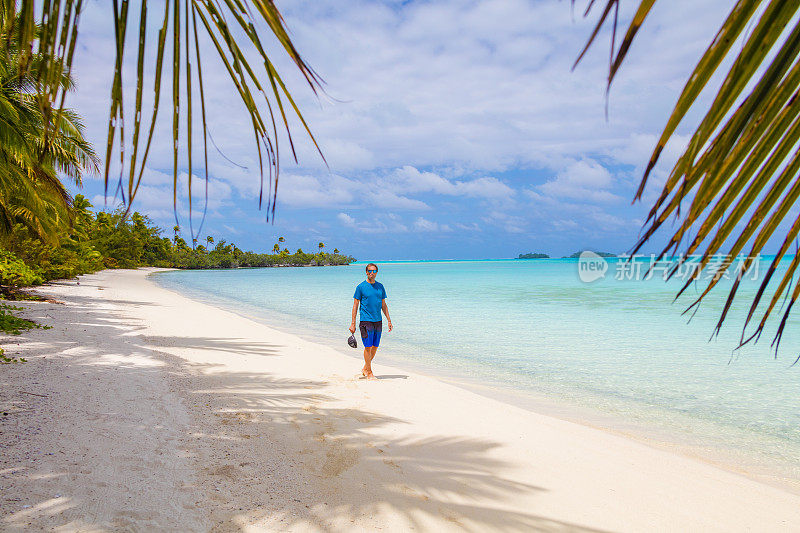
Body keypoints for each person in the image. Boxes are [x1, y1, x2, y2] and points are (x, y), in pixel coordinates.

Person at [350, 263, 392, 380]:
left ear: (376, 273)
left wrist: (389, 320)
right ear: (366, 272)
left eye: (374, 271)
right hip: (365, 321)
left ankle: (365, 368)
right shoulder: (360, 287)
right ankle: (369, 372)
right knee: (368, 346)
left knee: (375, 346)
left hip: (378, 321)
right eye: (369, 271)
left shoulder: (380, 287)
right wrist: (353, 323)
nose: (371, 273)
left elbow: (383, 305)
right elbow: (355, 306)